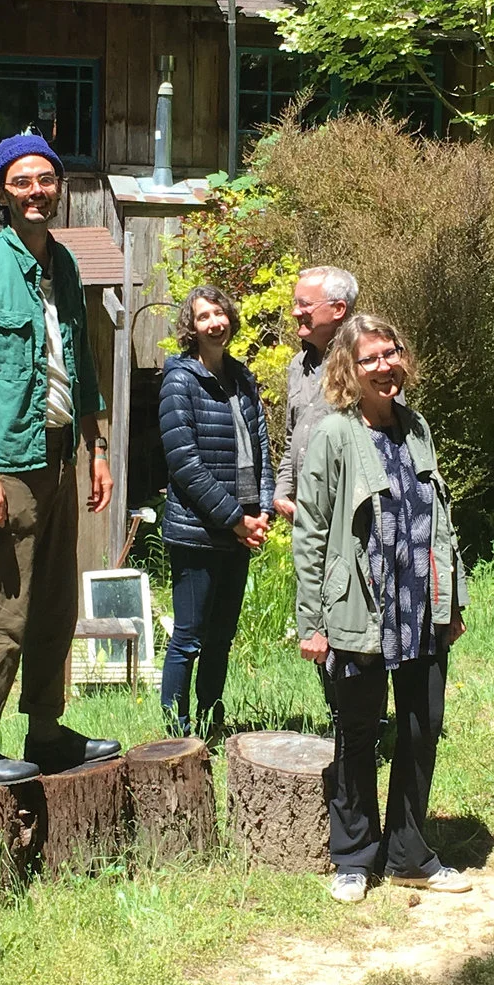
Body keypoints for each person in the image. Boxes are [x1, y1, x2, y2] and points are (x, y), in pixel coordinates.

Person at [0, 133, 118, 783]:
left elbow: (84, 366)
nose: (37, 191)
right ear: (2, 193)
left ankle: (45, 729)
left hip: (62, 453)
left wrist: (96, 448)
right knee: (2, 600)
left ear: (57, 186)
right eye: (22, 181)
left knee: (53, 600)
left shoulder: (64, 266)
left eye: (45, 179)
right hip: (8, 463)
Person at [292, 314, 471, 903]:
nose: (384, 367)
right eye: (370, 359)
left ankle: (408, 853)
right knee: (358, 732)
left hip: (419, 606)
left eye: (390, 354)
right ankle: (353, 856)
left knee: (422, 731)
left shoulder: (416, 427)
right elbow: (312, 530)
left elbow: (440, 520)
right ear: (349, 369)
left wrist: (452, 601)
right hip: (359, 608)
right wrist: (311, 621)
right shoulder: (334, 434)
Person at [156, 286, 272, 737]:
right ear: (192, 326)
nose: (214, 323)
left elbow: (261, 446)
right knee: (189, 638)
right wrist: (234, 518)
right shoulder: (179, 380)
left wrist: (260, 512)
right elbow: (184, 463)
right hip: (196, 531)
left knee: (221, 639)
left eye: (220, 314)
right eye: (204, 316)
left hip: (239, 530)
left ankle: (211, 722)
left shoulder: (242, 378)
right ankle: (175, 733)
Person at [272, 265, 358, 523]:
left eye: (304, 304)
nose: (295, 311)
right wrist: (282, 492)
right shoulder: (298, 365)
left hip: (351, 517)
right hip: (307, 517)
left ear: (338, 309)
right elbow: (292, 439)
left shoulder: (365, 363)